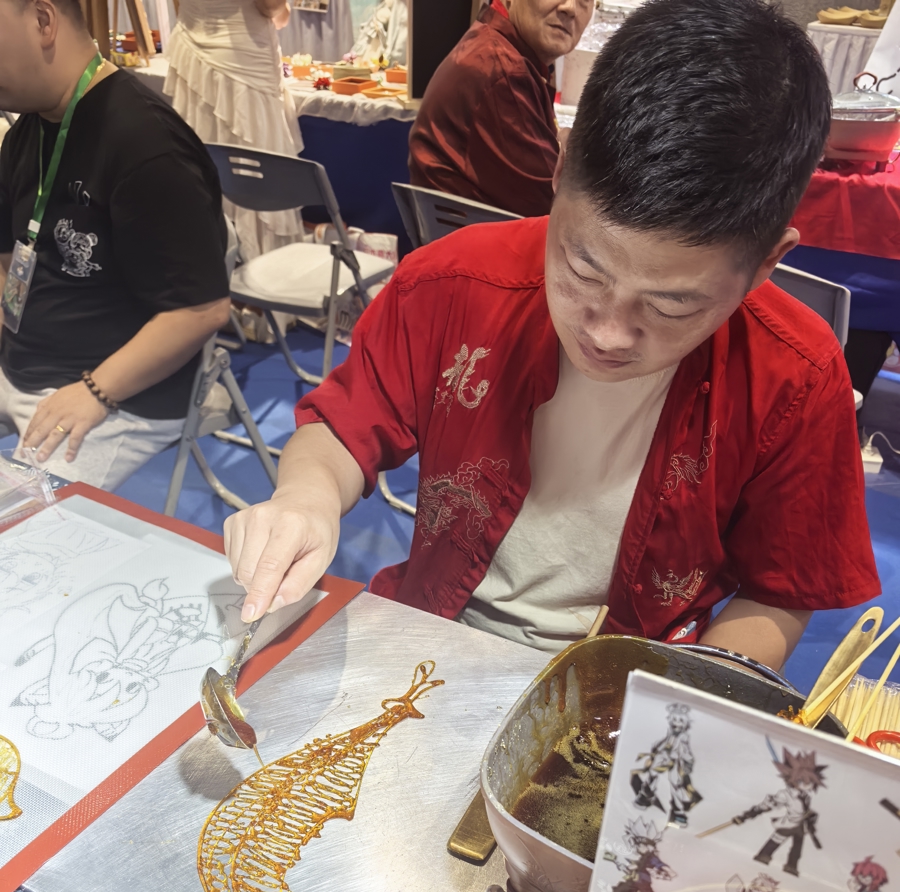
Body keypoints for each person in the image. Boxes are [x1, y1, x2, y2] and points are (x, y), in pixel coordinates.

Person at [224, 0, 880, 672]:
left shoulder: (795, 375)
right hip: (433, 637)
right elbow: (342, 427)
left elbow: (780, 591)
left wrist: (683, 701)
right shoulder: (452, 283)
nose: (608, 333)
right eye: (583, 269)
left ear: (766, 263)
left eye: (671, 304)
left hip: (632, 677)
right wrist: (305, 501)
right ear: (559, 173)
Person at [0, 0, 231, 489]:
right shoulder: (25, 133)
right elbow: (7, 257)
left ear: (43, 21)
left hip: (114, 394)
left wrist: (95, 391)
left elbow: (200, 310)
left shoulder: (146, 143)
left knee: (21, 525)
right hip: (21, 362)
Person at [407, 0, 593, 217]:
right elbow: (560, 207)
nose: (570, 8)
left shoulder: (504, 51)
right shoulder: (503, 71)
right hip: (469, 236)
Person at [165, 0, 304, 260]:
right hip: (243, 59)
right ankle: (260, 263)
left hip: (192, 48)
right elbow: (271, 6)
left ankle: (211, 257)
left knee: (203, 158)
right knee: (253, 169)